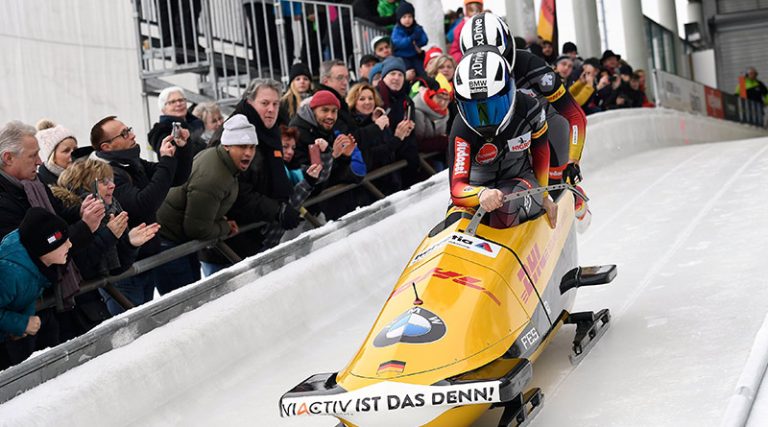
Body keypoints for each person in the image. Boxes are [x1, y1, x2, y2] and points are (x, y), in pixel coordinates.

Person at [459, 12, 587, 188]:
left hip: (544, 129)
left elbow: (574, 114)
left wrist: (573, 159)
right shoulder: (466, 77)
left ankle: (563, 188)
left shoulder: (532, 67)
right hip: (502, 139)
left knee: (556, 183)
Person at [89, 115, 193, 314]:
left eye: (129, 129)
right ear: (106, 147)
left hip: (143, 262)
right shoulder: (108, 175)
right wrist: (165, 160)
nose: (132, 135)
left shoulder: (130, 162)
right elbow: (145, 203)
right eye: (124, 133)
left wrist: (182, 147)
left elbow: (174, 177)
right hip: (124, 273)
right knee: (130, 334)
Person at [448, 49, 557, 230]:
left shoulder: (530, 110)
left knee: (506, 207)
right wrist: (481, 193)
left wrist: (544, 196)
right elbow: (457, 187)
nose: (485, 118)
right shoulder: (461, 127)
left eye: (493, 106)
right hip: (478, 189)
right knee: (455, 221)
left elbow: (541, 154)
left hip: (520, 181)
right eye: (474, 109)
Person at [0, 121, 102, 313]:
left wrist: (82, 210)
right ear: (8, 158)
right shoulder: (5, 201)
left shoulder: (34, 185)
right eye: (32, 156)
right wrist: (85, 227)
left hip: (52, 297)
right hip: (30, 306)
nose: (39, 161)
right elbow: (40, 247)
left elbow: (58, 216)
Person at [51, 160, 159, 335]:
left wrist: (130, 244)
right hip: (81, 309)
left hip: (100, 299)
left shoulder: (111, 208)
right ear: (84, 184)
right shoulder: (70, 214)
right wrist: (109, 235)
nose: (112, 186)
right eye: (104, 181)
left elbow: (117, 268)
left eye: (111, 180)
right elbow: (82, 267)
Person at [201, 79, 298, 268]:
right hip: (228, 244)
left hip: (258, 236)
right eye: (264, 103)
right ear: (249, 102)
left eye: (275, 104)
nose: (271, 109)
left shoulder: (271, 131)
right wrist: (276, 210)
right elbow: (235, 190)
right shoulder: (233, 133)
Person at [157, 114, 258, 282]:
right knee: (186, 304)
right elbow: (197, 228)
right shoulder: (213, 177)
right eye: (242, 146)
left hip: (174, 239)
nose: (248, 153)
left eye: (252, 147)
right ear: (227, 146)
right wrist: (224, 227)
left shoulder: (220, 161)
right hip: (169, 243)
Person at [0, 208, 72, 365]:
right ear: (45, 249)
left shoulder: (36, 263)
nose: (70, 245)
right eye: (63, 242)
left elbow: (28, 291)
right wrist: (22, 323)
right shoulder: (10, 273)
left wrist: (24, 321)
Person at [289, 90, 367, 219]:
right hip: (301, 214)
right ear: (313, 110)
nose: (330, 116)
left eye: (334, 111)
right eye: (324, 110)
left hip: (320, 209)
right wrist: (333, 156)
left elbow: (336, 175)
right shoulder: (298, 132)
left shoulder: (325, 129)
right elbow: (312, 179)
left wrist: (344, 156)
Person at [376, 57, 421, 190]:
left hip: (403, 160)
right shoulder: (373, 97)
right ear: (383, 76)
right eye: (392, 74)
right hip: (383, 164)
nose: (396, 78)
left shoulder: (407, 102)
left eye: (400, 74)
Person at [148, 87, 205, 158]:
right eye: (172, 102)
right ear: (163, 109)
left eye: (181, 100)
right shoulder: (160, 131)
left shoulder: (197, 124)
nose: (178, 104)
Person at [390, 2, 428, 77]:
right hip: (402, 57)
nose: (407, 19)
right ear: (399, 18)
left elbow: (425, 40)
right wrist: (410, 39)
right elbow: (398, 42)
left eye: (410, 17)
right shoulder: (397, 29)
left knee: (422, 72)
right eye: (404, 17)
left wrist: (418, 40)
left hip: (415, 56)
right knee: (408, 73)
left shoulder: (417, 28)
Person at [34, 122, 78, 187]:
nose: (74, 154)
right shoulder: (41, 185)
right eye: (66, 151)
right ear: (52, 156)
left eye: (75, 149)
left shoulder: (85, 176)